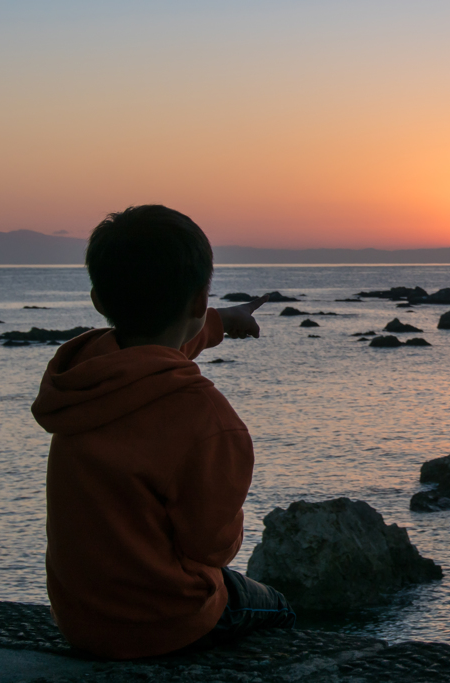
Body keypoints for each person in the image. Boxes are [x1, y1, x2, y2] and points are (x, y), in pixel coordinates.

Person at [31, 205, 296, 659]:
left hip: (79, 620)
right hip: (166, 623)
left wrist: (222, 320)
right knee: (278, 609)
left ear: (98, 299)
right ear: (197, 300)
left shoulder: (85, 374)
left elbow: (150, 350)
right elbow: (213, 548)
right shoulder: (207, 420)